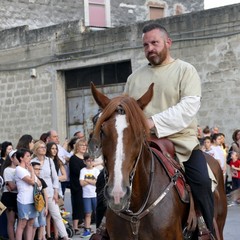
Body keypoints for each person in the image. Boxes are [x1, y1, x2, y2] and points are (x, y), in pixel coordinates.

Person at [123, 22, 214, 234]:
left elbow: (189, 106)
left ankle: (208, 231)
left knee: (201, 181)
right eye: (145, 45)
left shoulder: (185, 70)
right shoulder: (133, 78)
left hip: (180, 143)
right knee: (105, 179)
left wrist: (153, 122)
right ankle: (102, 229)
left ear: (168, 43)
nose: (150, 49)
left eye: (154, 43)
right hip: (142, 144)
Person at [31, 140, 69, 240]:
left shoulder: (49, 160)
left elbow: (55, 178)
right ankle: (42, 237)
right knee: (42, 216)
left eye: (44, 147)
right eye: (41, 147)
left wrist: (56, 192)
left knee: (56, 215)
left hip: (50, 192)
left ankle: (65, 236)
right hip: (38, 192)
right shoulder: (32, 162)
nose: (44, 149)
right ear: (36, 149)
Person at [15, 148, 38, 240]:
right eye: (27, 156)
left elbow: (38, 183)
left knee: (31, 222)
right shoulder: (19, 169)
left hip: (33, 199)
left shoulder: (27, 169)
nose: (29, 158)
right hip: (24, 200)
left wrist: (31, 171)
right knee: (22, 223)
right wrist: (32, 171)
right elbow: (32, 181)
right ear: (21, 158)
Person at [69, 139, 87, 234]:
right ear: (77, 147)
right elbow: (77, 171)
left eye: (85, 145)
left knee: (86, 207)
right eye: (82, 145)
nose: (84, 147)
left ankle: (85, 224)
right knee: (77, 206)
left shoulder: (86, 158)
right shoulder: (73, 158)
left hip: (87, 186)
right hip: (77, 186)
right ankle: (75, 226)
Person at [80, 153, 100, 238]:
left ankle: (98, 230)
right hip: (86, 195)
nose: (90, 162)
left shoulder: (96, 171)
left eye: (92, 160)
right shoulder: (83, 170)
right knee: (88, 213)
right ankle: (87, 229)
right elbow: (81, 183)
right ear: (84, 161)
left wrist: (87, 180)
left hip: (95, 194)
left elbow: (97, 183)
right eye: (88, 160)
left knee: (97, 212)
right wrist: (92, 181)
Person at [0, 150, 19, 240]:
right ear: (11, 158)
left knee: (20, 220)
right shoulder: (7, 170)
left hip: (19, 196)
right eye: (16, 157)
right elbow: (11, 187)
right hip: (9, 196)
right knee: (11, 221)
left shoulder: (21, 169)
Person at [31, 159, 48, 240]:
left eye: (39, 169)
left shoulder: (41, 180)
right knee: (34, 225)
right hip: (33, 205)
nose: (38, 171)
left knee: (42, 224)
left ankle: (40, 238)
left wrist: (46, 208)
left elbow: (46, 195)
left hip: (41, 205)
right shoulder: (30, 180)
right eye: (36, 169)